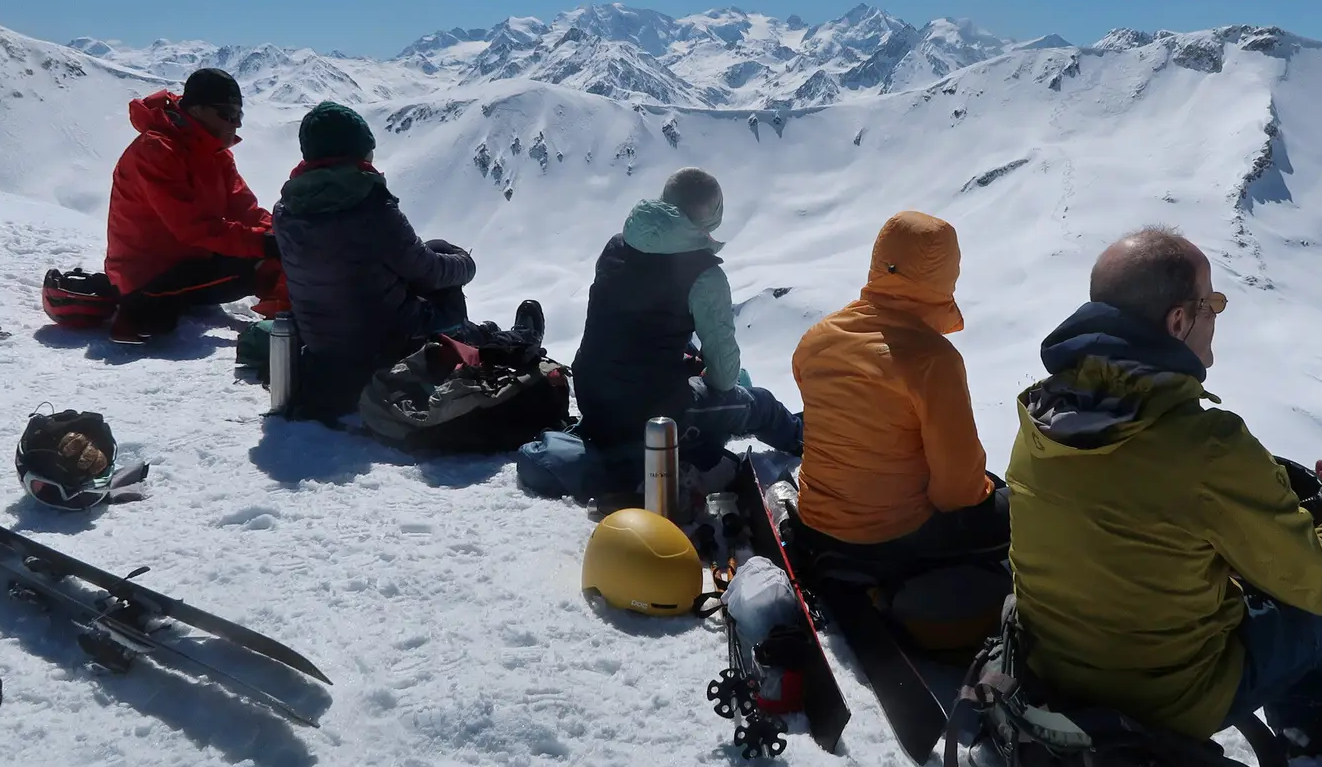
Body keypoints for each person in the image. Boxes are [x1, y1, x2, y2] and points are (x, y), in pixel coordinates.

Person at [1006, 226, 1322, 767]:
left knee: (1256, 573)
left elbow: (1145, 509)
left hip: (1062, 669)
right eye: (1214, 303)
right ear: (1179, 322)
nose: (1218, 316)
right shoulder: (1203, 445)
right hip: (1167, 695)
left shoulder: (1046, 413)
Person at [272, 102, 543, 405]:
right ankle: (497, 343)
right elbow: (428, 271)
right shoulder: (369, 204)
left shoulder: (285, 210)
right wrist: (466, 264)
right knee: (445, 288)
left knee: (436, 249)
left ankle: (479, 334)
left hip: (323, 347)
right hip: (385, 350)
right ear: (355, 153)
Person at [791, 211, 1007, 583]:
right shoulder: (932, 360)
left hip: (816, 521)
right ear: (945, 275)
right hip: (891, 539)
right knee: (1021, 506)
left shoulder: (816, 338)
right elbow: (957, 493)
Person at [571, 167, 801, 477]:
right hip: (651, 420)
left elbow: (635, 327)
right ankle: (807, 441)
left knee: (686, 346)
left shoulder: (617, 244)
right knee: (760, 404)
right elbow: (724, 379)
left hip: (593, 399)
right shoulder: (705, 276)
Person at [104, 68, 285, 343]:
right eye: (228, 114)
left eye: (239, 115)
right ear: (197, 110)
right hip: (146, 277)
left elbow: (245, 208)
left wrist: (284, 233)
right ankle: (287, 322)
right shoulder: (156, 151)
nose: (235, 124)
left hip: (192, 261)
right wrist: (266, 244)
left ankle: (290, 311)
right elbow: (194, 229)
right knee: (261, 260)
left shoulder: (213, 153)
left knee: (276, 252)